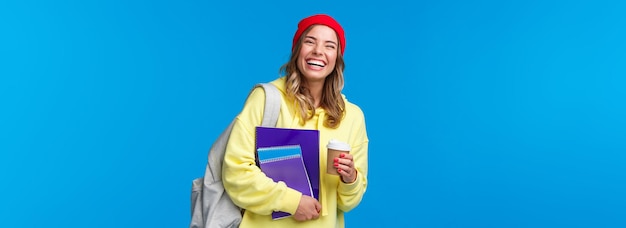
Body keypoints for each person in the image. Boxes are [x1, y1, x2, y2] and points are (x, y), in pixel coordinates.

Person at [222, 14, 368, 228]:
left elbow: (348, 202)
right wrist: (292, 202)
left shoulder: (353, 117)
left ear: (337, 58)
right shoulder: (267, 99)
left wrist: (350, 179)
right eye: (310, 41)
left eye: (329, 45)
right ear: (297, 49)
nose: (318, 51)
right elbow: (236, 173)